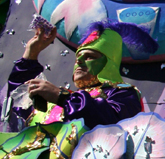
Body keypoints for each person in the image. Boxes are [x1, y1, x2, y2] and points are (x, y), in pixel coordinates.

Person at [7, 19, 156, 129]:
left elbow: (109, 122)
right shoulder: (61, 101)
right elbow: (18, 108)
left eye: (90, 57)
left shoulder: (124, 94)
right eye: (78, 58)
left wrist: (62, 97)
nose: (80, 62)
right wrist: (30, 54)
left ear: (108, 63)